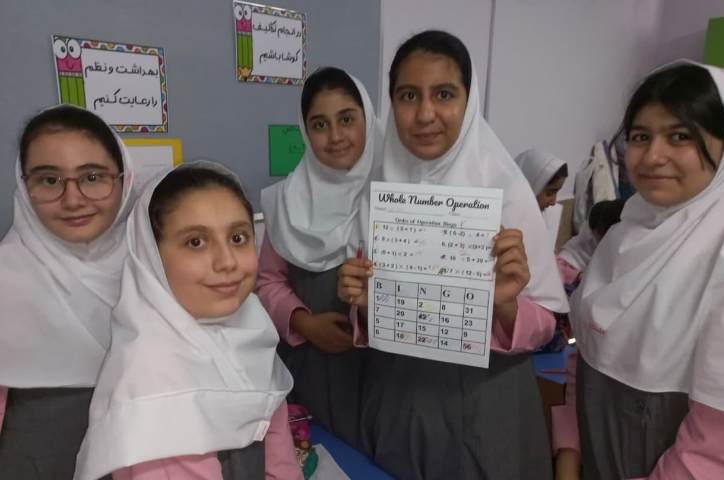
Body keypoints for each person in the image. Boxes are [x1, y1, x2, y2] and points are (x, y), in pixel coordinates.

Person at [338, 30, 569, 479]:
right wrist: (363, 304)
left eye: (444, 94)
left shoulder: (507, 192)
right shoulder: (376, 191)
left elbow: (545, 322)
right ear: (392, 103)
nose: (425, 114)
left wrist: (505, 304)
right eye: (409, 95)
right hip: (398, 395)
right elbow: (371, 313)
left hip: (488, 401)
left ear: (469, 99)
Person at [556, 62, 724, 480]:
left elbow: (720, 457)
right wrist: (568, 455)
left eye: (680, 136)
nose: (652, 157)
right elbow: (583, 356)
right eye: (641, 137)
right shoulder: (622, 237)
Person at [74, 163, 300, 480]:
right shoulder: (154, 379)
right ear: (151, 256)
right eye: (196, 242)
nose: (227, 262)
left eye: (238, 237)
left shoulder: (252, 332)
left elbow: (280, 461)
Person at [0, 105, 134, 478]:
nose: (73, 199)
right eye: (48, 180)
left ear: (123, 179)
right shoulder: (6, 279)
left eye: (93, 177)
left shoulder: (158, 268)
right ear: (24, 186)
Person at [257, 67, 380, 448]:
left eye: (347, 119)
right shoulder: (285, 201)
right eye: (320, 124)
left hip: (385, 369)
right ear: (306, 131)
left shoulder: (398, 192)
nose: (336, 136)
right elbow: (267, 281)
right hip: (313, 364)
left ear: (368, 119)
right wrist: (305, 324)